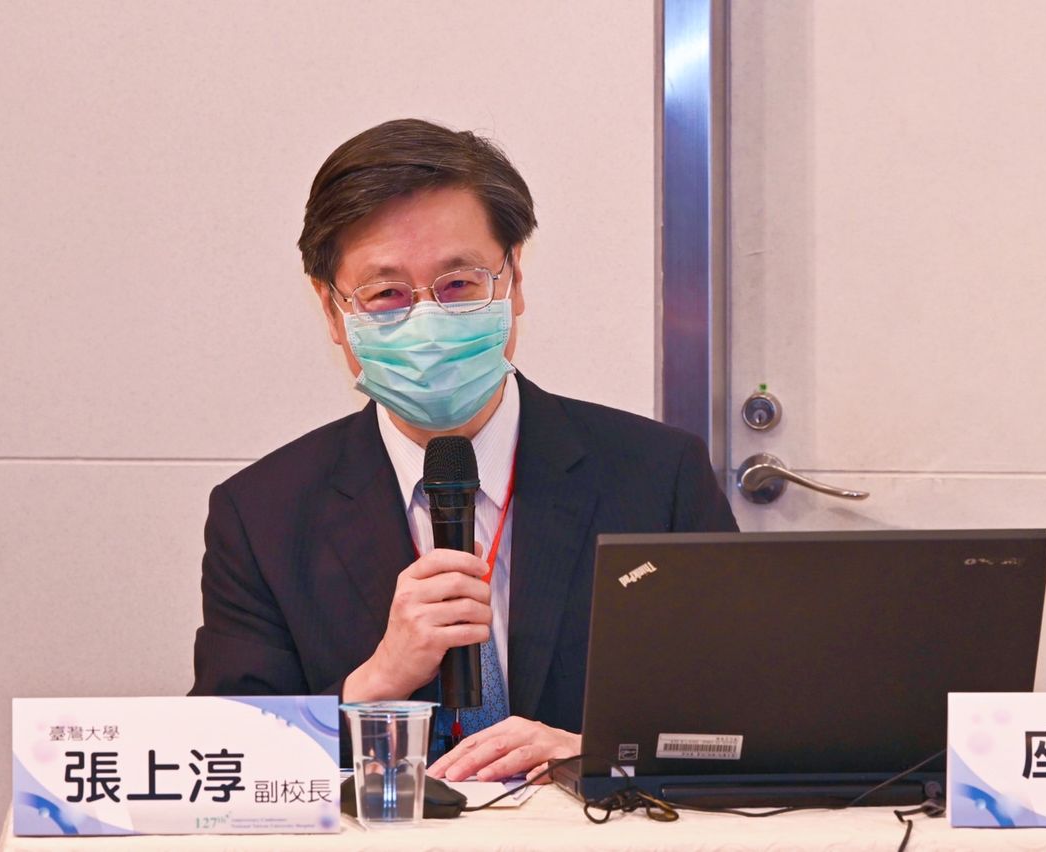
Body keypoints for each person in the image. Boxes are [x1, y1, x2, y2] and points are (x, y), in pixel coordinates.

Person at [190, 118, 737, 783]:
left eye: (458, 285)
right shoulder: (262, 516)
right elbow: (224, 762)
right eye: (386, 295)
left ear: (514, 280)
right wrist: (376, 682)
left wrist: (592, 753)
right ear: (332, 312)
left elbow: (742, 723)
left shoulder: (659, 476)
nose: (427, 321)